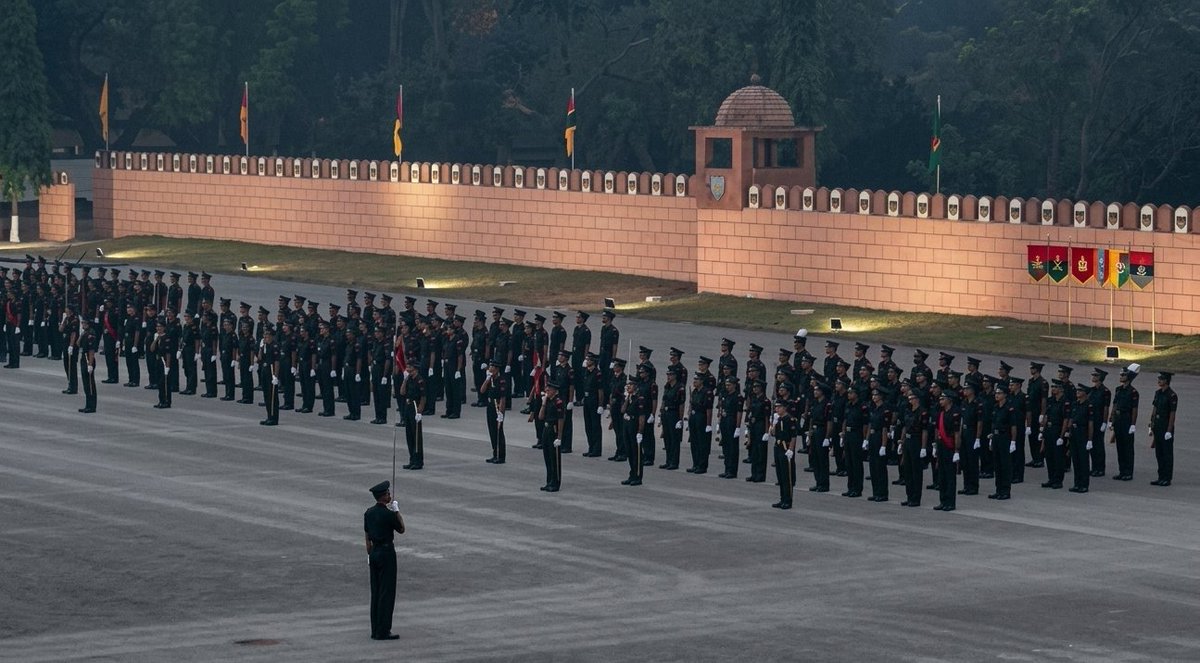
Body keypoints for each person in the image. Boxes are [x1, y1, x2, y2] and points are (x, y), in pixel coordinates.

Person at [364, 480, 405, 641]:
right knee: (386, 593)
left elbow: (367, 537)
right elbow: (401, 529)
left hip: (374, 552)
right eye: (388, 494)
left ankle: (375, 629)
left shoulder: (368, 512)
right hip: (386, 552)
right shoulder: (388, 514)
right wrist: (396, 511)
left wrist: (370, 554)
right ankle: (383, 630)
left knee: (376, 592)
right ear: (383, 497)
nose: (390, 496)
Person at [1109, 364, 1140, 481]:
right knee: (1120, 446)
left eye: (1123, 375)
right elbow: (1115, 405)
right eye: (1120, 374)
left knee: (1127, 448)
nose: (1121, 376)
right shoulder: (1118, 390)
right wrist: (1111, 419)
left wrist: (1133, 424)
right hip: (1118, 420)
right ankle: (1122, 471)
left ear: (1129, 377)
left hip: (1127, 420)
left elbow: (1134, 410)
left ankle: (1128, 472)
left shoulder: (1133, 392)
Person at [933, 392, 961, 511]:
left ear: (949, 400)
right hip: (941, 446)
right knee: (942, 475)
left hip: (950, 447)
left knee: (950, 476)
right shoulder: (941, 414)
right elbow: (938, 431)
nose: (940, 401)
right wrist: (935, 446)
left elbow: (957, 433)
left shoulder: (955, 414)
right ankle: (943, 500)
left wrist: (956, 450)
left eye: (942, 399)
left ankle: (950, 502)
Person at [1150, 372, 1178, 486]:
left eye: (1161, 379)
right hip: (1158, 425)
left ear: (1166, 380)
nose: (1159, 380)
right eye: (1158, 378)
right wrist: (1151, 423)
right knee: (1159, 453)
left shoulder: (1171, 395)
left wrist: (1169, 430)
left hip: (1166, 425)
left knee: (1167, 454)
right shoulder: (1158, 393)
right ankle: (1160, 476)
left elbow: (1172, 414)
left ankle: (1167, 478)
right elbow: (1155, 409)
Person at [539, 381, 566, 492]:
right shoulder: (548, 401)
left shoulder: (558, 402)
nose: (546, 391)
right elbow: (540, 417)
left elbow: (561, 420)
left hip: (554, 430)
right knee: (547, 457)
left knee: (554, 458)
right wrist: (544, 403)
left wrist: (559, 437)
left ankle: (556, 482)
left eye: (548, 390)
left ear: (554, 390)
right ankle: (549, 480)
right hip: (546, 429)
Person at [771, 400, 797, 509]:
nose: (777, 409)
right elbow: (773, 433)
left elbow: (793, 435)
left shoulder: (789, 419)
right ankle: (782, 499)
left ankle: (788, 500)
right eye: (776, 407)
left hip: (786, 448)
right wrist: (774, 422)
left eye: (779, 407)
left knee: (787, 477)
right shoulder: (779, 419)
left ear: (784, 408)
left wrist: (791, 449)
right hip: (778, 447)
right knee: (780, 476)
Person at [481, 360, 509, 463]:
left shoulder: (501, 381)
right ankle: (494, 453)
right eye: (490, 367)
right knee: (492, 431)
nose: (490, 369)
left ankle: (500, 456)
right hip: (490, 407)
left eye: (492, 367)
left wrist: (501, 414)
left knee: (498, 432)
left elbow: (502, 398)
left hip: (498, 407)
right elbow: (482, 390)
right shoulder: (491, 379)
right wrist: (487, 379)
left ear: (497, 369)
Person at [1067, 384, 1093, 493]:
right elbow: (1071, 420)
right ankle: (1077, 483)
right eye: (1077, 390)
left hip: (1083, 434)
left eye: (1080, 390)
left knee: (1083, 461)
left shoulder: (1088, 406)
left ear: (1085, 393)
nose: (1077, 392)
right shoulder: (1075, 404)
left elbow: (1090, 424)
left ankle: (1084, 485)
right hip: (1074, 433)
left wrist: (1090, 440)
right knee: (1076, 460)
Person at [400, 364, 426, 470]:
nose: (408, 369)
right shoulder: (409, 379)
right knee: (409, 435)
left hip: (415, 407)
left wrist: (419, 412)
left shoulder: (420, 380)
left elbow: (423, 397)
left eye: (410, 368)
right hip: (408, 407)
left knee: (416, 437)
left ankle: (418, 461)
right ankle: (411, 459)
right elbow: (402, 392)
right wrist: (405, 380)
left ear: (415, 369)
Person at [78, 318, 98, 413]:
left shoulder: (91, 334)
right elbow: (78, 344)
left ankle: (92, 406)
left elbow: (91, 350)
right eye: (82, 323)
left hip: (88, 359)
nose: (83, 324)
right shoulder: (85, 333)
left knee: (90, 384)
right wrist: (82, 334)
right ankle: (87, 404)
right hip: (83, 358)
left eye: (84, 323)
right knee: (86, 384)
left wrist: (90, 364)